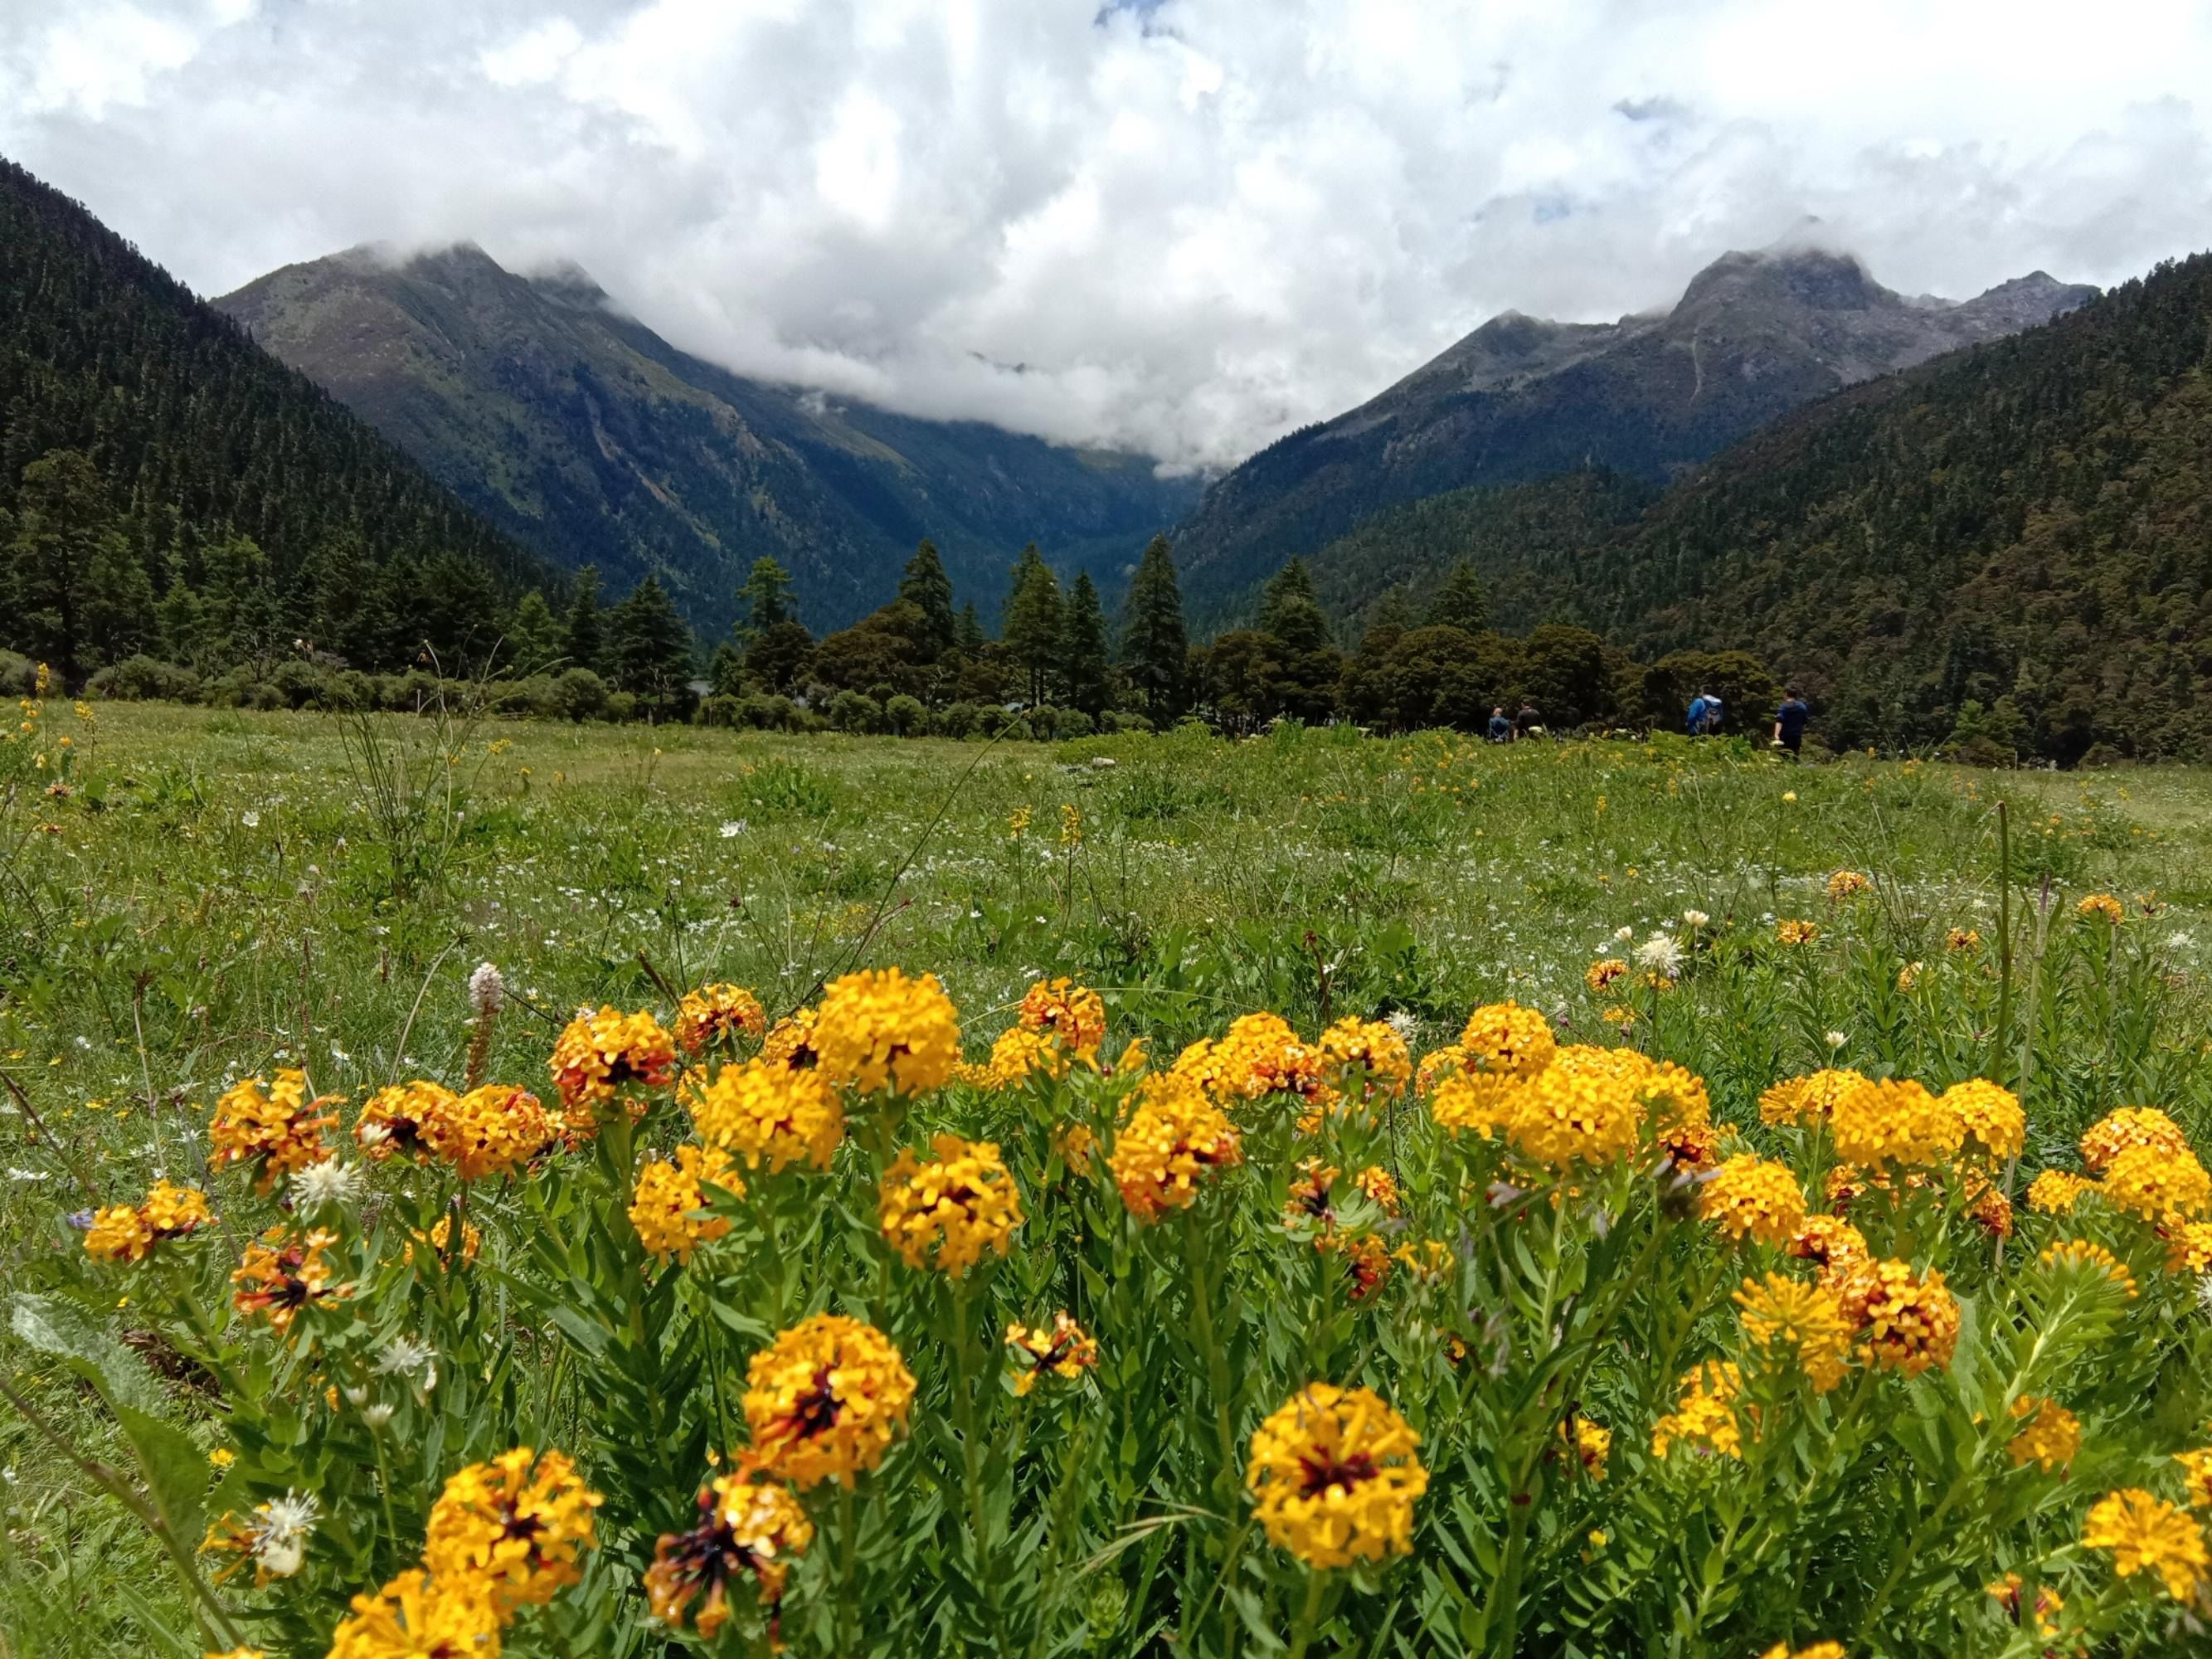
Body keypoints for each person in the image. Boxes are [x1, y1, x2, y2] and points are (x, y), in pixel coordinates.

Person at [1774, 689, 1811, 756]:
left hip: (1785, 736)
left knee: (1784, 756)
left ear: (1786, 694)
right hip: (1797, 737)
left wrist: (1776, 734)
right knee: (1795, 756)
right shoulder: (1802, 706)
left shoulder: (1783, 707)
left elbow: (1779, 721)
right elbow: (1805, 722)